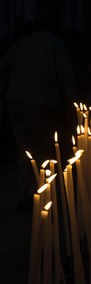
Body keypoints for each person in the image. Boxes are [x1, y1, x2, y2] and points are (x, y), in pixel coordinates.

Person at [0, 10, 77, 209]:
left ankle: (22, 195)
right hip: (40, 101)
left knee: (24, 148)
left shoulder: (23, 43)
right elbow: (66, 74)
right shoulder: (55, 43)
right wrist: (71, 102)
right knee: (42, 148)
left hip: (15, 100)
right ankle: (39, 194)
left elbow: (3, 65)